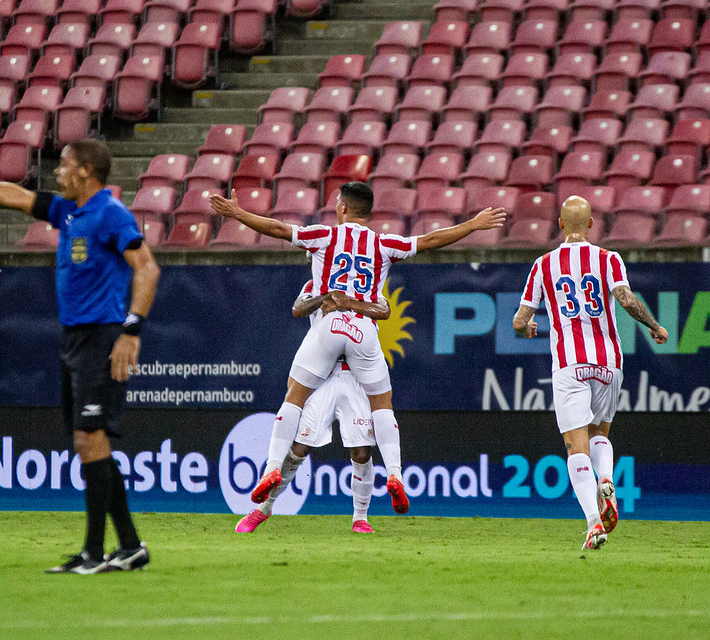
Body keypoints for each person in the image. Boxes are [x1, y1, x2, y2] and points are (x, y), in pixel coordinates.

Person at [0, 141, 161, 573]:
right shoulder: (67, 211)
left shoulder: (111, 214)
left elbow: (147, 267)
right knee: (90, 442)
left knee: (89, 438)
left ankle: (92, 553)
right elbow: (15, 195)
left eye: (65, 166)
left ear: (87, 172)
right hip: (73, 339)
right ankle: (128, 547)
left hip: (102, 337)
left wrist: (132, 330)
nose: (57, 173)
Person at [210, 182, 505, 516]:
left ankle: (272, 467)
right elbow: (431, 241)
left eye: (337, 202)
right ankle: (395, 474)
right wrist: (472, 224)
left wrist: (238, 214)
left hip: (330, 325)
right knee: (383, 405)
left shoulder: (324, 237)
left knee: (294, 396)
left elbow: (277, 228)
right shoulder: (383, 243)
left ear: (344, 208)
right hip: (363, 330)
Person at [512, 195, 668, 551]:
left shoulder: (543, 265)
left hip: (570, 364)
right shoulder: (608, 258)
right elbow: (626, 298)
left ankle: (593, 523)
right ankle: (608, 480)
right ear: (593, 225)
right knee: (600, 433)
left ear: (561, 224)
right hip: (609, 362)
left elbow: (520, 319)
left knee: (574, 445)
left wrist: (527, 328)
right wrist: (654, 326)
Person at [236, 283, 391, 535]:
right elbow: (298, 308)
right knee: (300, 446)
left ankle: (360, 518)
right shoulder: (315, 283)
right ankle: (263, 509)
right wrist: (325, 298)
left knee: (361, 451)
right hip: (323, 374)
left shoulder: (367, 280)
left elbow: (383, 308)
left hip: (356, 375)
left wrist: (350, 303)